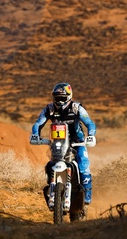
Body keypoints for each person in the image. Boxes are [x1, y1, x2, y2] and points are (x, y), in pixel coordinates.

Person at [30, 82, 96, 216]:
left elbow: (89, 123)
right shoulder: (49, 109)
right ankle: (52, 189)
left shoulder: (77, 108)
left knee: (83, 165)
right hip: (58, 143)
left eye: (62, 98)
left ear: (69, 96)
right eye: (57, 97)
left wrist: (90, 135)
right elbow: (38, 123)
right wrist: (35, 135)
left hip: (77, 142)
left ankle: (87, 197)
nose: (59, 101)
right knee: (50, 165)